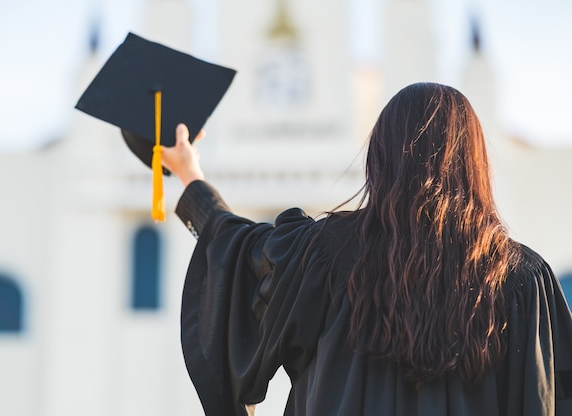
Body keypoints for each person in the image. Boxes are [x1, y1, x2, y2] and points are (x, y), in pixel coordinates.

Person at [161, 82, 572, 416]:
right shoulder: (522, 281)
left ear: (380, 157)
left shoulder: (322, 257)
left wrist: (190, 175)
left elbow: (241, 251)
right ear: (475, 163)